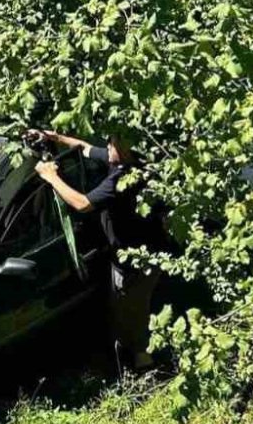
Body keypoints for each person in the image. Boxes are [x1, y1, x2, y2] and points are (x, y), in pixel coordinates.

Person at [27, 129, 164, 371]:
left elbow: (82, 204)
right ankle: (124, 345)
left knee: (132, 307)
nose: (107, 147)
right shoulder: (126, 160)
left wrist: (51, 177)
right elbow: (83, 147)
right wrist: (51, 136)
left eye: (111, 144)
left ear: (123, 150)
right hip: (130, 252)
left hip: (137, 261)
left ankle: (142, 357)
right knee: (122, 303)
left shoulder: (124, 178)